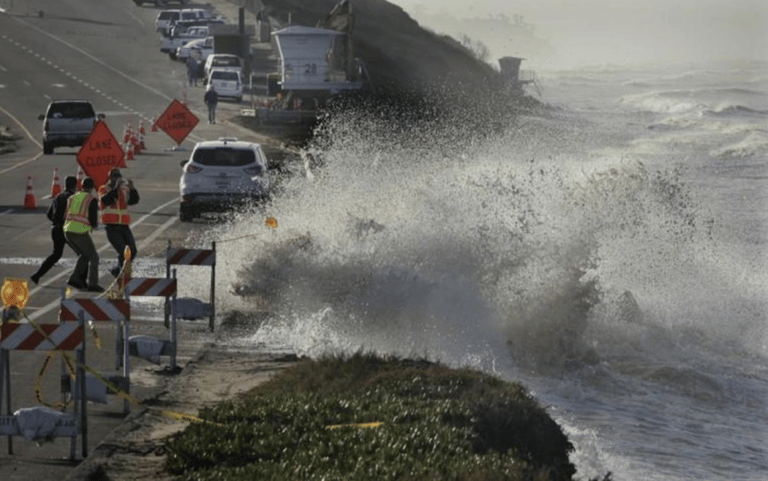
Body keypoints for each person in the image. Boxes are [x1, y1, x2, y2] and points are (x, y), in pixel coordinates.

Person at [30, 175, 78, 285]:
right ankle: (77, 278)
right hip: (68, 229)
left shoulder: (58, 196)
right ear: (75, 185)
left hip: (55, 229)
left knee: (56, 254)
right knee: (82, 254)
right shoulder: (73, 197)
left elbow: (49, 214)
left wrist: (56, 222)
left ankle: (37, 275)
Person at [63, 177, 103, 292]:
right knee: (94, 257)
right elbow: (93, 218)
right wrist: (95, 226)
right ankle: (92, 284)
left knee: (84, 255)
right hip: (79, 231)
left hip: (67, 230)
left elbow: (66, 213)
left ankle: (74, 278)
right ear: (92, 188)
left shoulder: (72, 197)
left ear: (82, 185)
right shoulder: (91, 199)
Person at [99, 168, 139, 278]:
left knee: (133, 251)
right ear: (110, 178)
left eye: (118, 177)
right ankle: (122, 273)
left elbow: (134, 200)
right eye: (114, 177)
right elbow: (107, 201)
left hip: (124, 226)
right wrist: (115, 188)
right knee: (123, 251)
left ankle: (118, 269)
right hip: (112, 226)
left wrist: (132, 188)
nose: (117, 179)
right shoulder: (104, 189)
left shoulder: (124, 190)